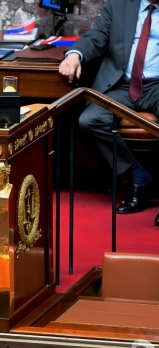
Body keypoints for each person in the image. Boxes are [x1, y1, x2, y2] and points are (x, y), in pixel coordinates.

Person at [58, 0, 159, 226]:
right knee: (90, 120)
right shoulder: (120, 4)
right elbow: (97, 36)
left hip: (157, 85)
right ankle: (137, 175)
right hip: (122, 85)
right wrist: (74, 55)